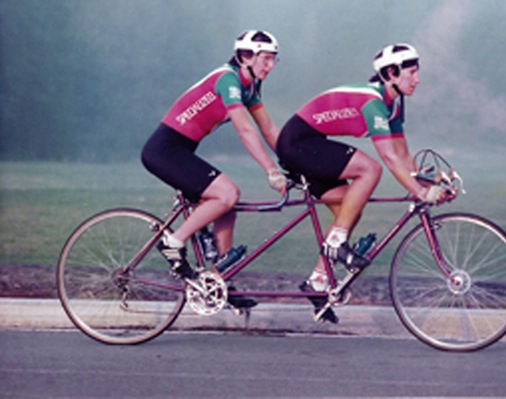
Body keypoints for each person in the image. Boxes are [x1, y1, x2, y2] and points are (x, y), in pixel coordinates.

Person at [276, 43, 447, 322]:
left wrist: (427, 186)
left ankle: (317, 282)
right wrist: (419, 192)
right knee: (370, 170)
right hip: (298, 144)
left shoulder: (392, 103)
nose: (418, 79)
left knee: (350, 207)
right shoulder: (374, 103)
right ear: (391, 73)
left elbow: (404, 155)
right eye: (412, 73)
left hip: (312, 144)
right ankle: (336, 242)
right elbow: (390, 159)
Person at [142, 30, 286, 285]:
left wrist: (294, 163)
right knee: (227, 194)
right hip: (164, 150)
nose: (271, 66)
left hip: (182, 150)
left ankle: (220, 282)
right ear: (245, 56)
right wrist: (271, 170)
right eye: (266, 59)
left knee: (226, 208)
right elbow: (244, 129)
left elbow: (269, 129)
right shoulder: (227, 80)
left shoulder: (250, 86)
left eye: (274, 59)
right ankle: (173, 242)